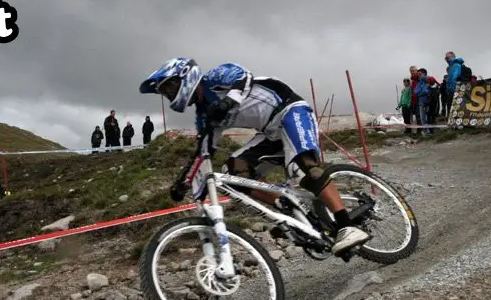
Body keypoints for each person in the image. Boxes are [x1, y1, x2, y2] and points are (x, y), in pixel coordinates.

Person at [139, 58, 370, 257]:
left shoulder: (215, 77)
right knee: (231, 175)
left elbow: (242, 76)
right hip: (269, 133)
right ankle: (286, 206)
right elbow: (202, 150)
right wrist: (184, 181)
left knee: (304, 169)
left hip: (290, 111)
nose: (169, 95)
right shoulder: (203, 116)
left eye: (169, 88)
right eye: (166, 93)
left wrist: (228, 100)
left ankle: (346, 225)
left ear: (185, 76)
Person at [414, 68, 431, 135]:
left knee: (429, 116)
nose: (419, 76)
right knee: (422, 117)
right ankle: (425, 131)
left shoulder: (430, 80)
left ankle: (430, 130)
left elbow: (429, 91)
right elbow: (415, 92)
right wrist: (422, 90)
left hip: (428, 102)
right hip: (421, 102)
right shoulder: (419, 82)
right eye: (418, 75)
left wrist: (421, 92)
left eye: (420, 74)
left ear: (425, 74)